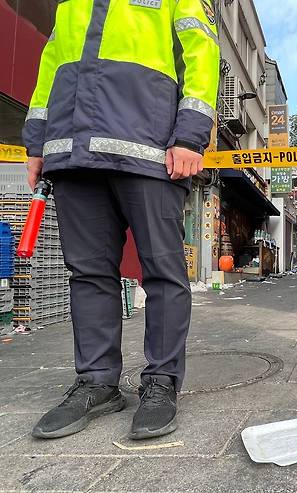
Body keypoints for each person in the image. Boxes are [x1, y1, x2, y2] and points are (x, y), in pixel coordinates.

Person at [22, 0, 220, 440]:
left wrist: (190, 134)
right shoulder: (69, 4)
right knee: (88, 273)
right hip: (72, 153)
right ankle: (97, 383)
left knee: (163, 272)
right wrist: (36, 143)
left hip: (150, 152)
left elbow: (203, 53)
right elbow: (49, 69)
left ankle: (161, 382)